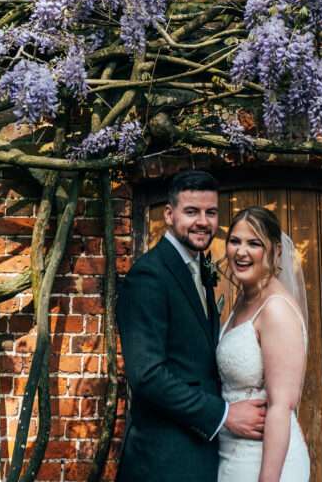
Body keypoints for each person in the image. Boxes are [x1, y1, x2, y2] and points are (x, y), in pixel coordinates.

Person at [116, 170, 268, 482]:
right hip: (163, 459)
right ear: (169, 215)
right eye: (191, 212)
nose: (203, 221)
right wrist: (224, 415)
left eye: (210, 212)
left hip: (198, 454)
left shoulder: (197, 269)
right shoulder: (149, 276)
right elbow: (147, 375)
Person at [217, 205, 310, 482]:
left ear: (275, 251)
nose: (241, 252)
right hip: (231, 453)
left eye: (254, 243)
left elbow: (281, 406)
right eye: (235, 241)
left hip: (263, 461)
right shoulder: (244, 300)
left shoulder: (275, 309)